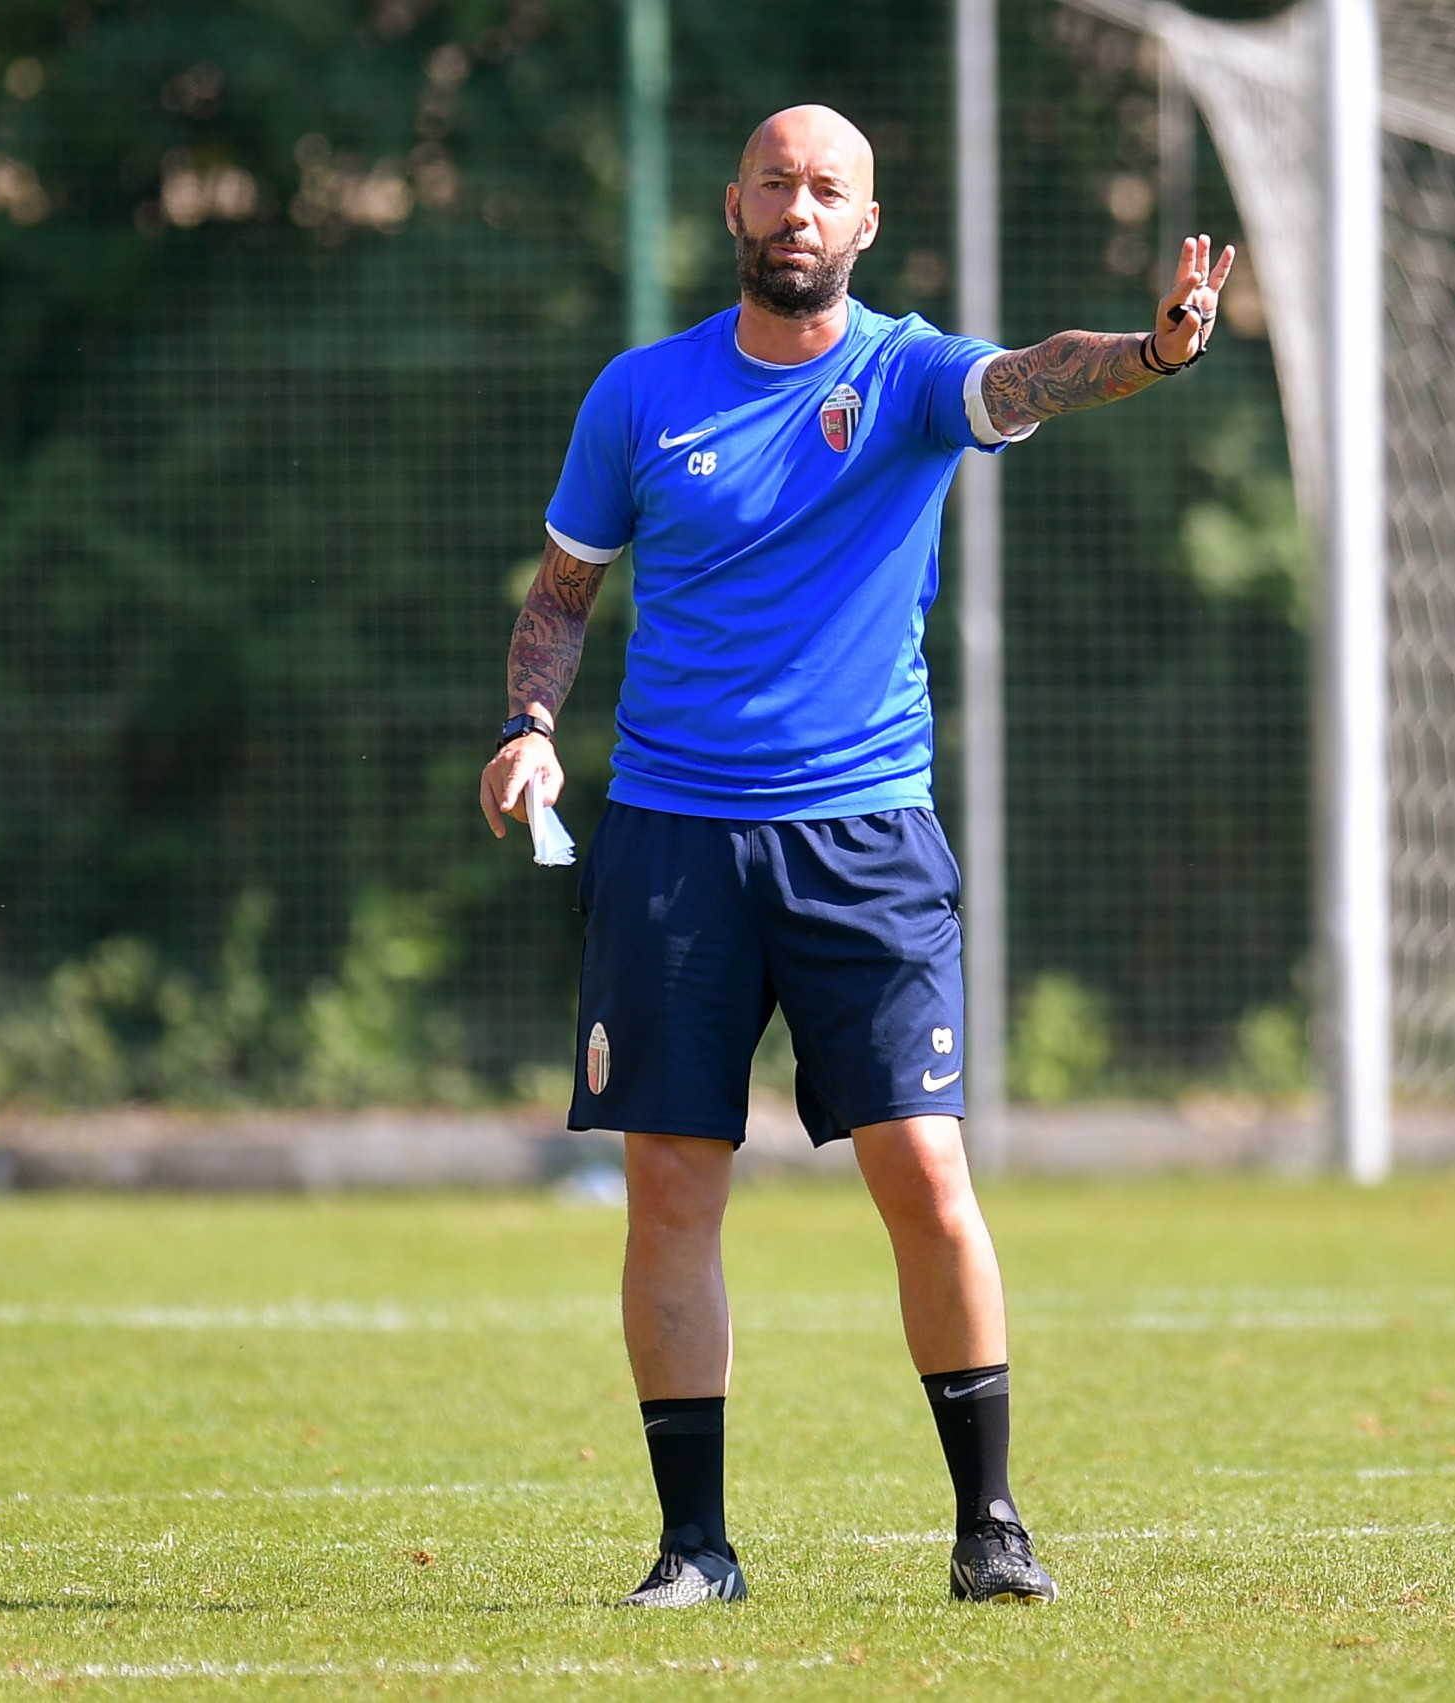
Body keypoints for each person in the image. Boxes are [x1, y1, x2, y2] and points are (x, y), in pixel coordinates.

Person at [476, 104, 1235, 1609]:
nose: (800, 209)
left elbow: (1032, 374)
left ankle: (991, 1527)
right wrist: (528, 722)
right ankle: (695, 1550)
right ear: (735, 206)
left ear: (867, 224)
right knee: (673, 1194)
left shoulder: (908, 375)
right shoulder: (640, 396)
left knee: (925, 1170)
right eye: (777, 183)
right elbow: (565, 589)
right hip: (674, 843)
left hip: (865, 839)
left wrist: (1150, 354)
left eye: (830, 189)